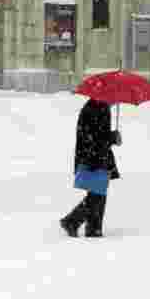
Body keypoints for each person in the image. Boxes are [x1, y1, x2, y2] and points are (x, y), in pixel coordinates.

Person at [60, 98, 121, 238]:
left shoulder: (97, 105)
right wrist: (112, 137)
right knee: (97, 194)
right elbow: (95, 136)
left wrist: (111, 138)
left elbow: (95, 134)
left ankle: (93, 228)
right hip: (93, 158)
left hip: (94, 156)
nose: (116, 102)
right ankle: (72, 221)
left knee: (98, 193)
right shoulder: (99, 107)